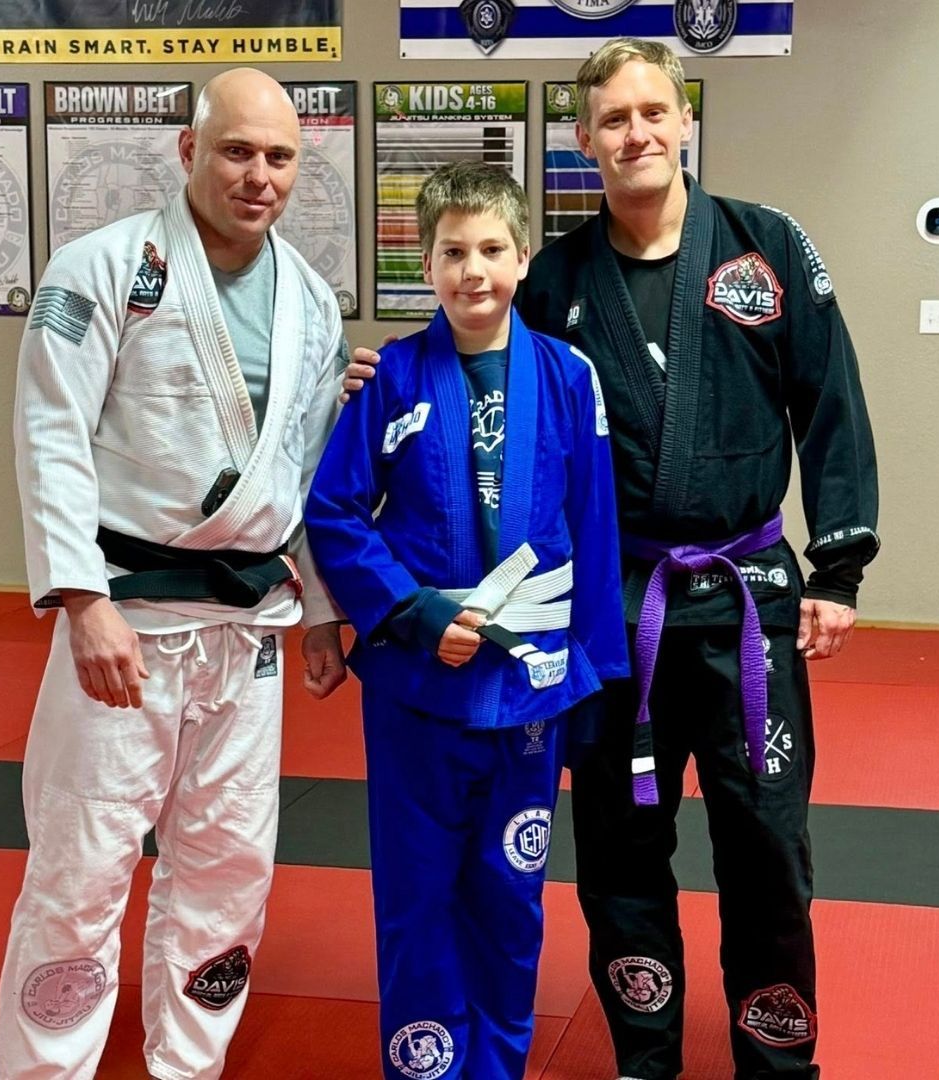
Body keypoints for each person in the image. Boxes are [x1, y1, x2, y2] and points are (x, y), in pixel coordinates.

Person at [343, 39, 879, 1080]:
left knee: (768, 842)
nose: (636, 134)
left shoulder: (765, 247)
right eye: (613, 120)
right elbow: (480, 352)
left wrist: (840, 565)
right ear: (584, 141)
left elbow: (831, 401)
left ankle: (779, 1055)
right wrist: (389, 372)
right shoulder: (555, 278)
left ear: (684, 121)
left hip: (747, 595)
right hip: (615, 605)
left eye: (652, 112)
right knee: (624, 845)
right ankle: (646, 1055)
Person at [0, 68, 348, 1080]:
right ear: (190, 150)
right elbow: (51, 434)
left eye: (279, 157)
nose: (259, 176)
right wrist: (82, 600)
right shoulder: (99, 268)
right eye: (237, 151)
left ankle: (187, 1066)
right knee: (80, 870)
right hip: (128, 622)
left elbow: (307, 475)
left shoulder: (311, 301)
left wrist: (321, 611)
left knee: (230, 870)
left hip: (250, 632)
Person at [305, 161, 628, 1080]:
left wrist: (597, 674)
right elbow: (334, 511)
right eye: (452, 252)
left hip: (529, 682)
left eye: (491, 249)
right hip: (418, 682)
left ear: (524, 258)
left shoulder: (568, 376)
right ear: (426, 263)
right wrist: (412, 614)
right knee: (417, 893)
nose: (472, 270)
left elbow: (594, 526)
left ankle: (497, 1066)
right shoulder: (391, 377)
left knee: (510, 892)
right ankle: (425, 1065)